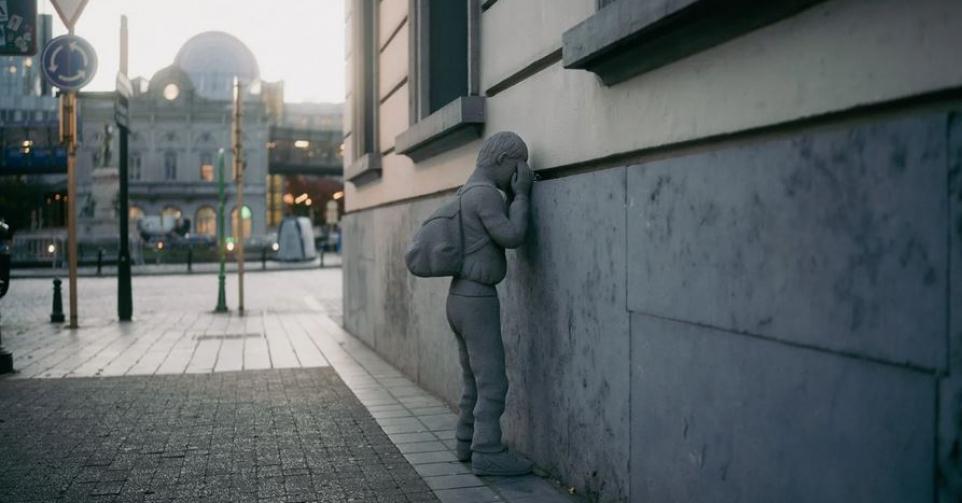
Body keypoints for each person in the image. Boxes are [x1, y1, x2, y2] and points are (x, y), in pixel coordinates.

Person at [447, 131, 535, 476]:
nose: (519, 173)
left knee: (472, 377)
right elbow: (512, 236)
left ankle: (465, 439)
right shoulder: (485, 194)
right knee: (493, 380)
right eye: (517, 166)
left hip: (458, 296)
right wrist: (523, 196)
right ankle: (488, 450)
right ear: (501, 161)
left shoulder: (465, 190)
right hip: (476, 297)